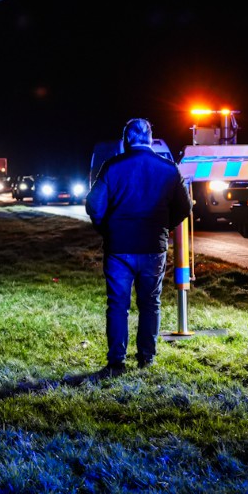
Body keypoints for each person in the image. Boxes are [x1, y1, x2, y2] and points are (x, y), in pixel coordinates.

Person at [85, 117, 191, 375]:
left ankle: (116, 361)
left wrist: (107, 228)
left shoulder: (112, 167)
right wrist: (162, 227)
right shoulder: (169, 169)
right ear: (149, 139)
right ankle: (146, 357)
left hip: (119, 248)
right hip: (153, 248)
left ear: (126, 140)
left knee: (118, 305)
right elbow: (184, 208)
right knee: (150, 303)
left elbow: (93, 206)